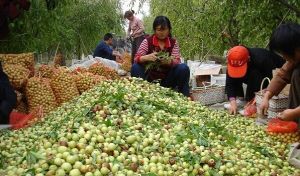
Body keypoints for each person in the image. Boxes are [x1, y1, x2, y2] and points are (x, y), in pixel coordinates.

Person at [131, 16, 190, 97]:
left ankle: (184, 96)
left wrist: (169, 62)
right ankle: (139, 93)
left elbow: (177, 60)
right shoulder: (147, 41)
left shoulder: (173, 42)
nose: (162, 32)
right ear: (155, 30)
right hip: (149, 79)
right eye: (159, 30)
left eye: (164, 29)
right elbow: (136, 58)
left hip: (167, 80)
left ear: (169, 29)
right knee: (135, 67)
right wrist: (146, 57)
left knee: (183, 68)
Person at [225, 46, 285, 115]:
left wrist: (254, 100)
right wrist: (232, 101)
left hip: (273, 73)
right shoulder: (233, 61)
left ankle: (253, 103)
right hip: (254, 71)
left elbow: (270, 80)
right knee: (234, 74)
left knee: (254, 74)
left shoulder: (262, 59)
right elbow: (230, 82)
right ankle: (240, 99)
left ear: (248, 59)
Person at [260, 23, 300, 121]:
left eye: (284, 53)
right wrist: (266, 96)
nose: (283, 57)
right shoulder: (295, 58)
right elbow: (282, 75)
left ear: (296, 49)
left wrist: (295, 112)